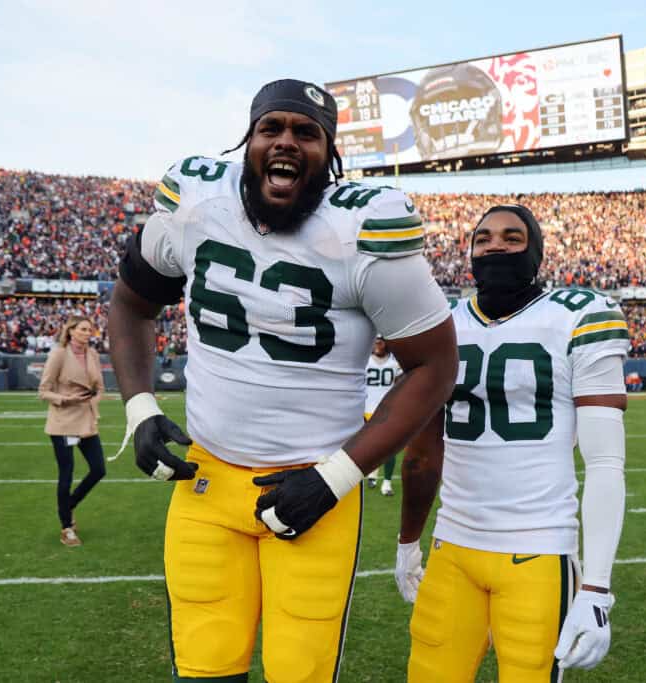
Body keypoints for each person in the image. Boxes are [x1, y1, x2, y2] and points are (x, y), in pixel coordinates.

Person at [107, 78, 457, 682]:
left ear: (332, 154)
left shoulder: (365, 228)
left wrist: (336, 478)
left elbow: (435, 366)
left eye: (306, 133)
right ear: (248, 140)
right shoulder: (195, 201)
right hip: (207, 483)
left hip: (315, 487)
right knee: (204, 670)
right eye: (272, 128)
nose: (286, 143)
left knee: (300, 673)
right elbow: (131, 302)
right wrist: (139, 407)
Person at [396, 205, 629, 682]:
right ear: (469, 252)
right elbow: (422, 453)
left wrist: (597, 590)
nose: (495, 246)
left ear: (536, 251)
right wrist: (407, 544)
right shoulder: (443, 322)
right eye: (482, 238)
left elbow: (605, 462)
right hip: (453, 548)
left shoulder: (580, 316)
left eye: (511, 237)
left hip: (538, 550)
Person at [39, 316, 106, 546]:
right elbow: (44, 391)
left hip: (86, 421)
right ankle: (67, 527)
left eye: (90, 329)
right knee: (66, 473)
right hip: (63, 422)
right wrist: (66, 399)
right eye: (83, 329)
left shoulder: (93, 355)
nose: (88, 333)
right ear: (71, 331)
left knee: (98, 469)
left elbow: (100, 388)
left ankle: (68, 505)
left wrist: (94, 400)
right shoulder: (59, 354)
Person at [365, 336, 402, 495]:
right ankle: (372, 473)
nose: (377, 344)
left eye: (380, 341)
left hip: (386, 410)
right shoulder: (365, 360)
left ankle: (386, 483)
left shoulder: (395, 362)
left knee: (389, 448)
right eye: (375, 341)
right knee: (369, 448)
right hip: (365, 410)